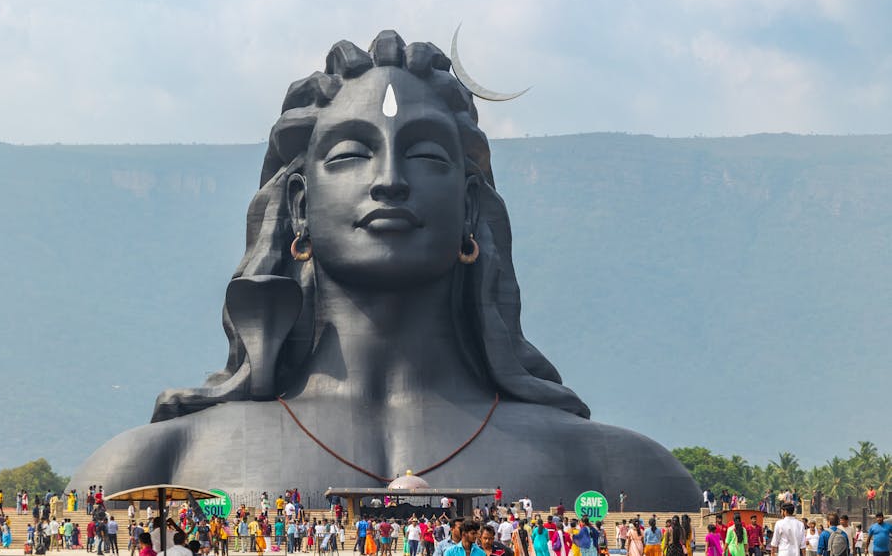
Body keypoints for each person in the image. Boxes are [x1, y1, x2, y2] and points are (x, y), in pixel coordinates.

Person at [69, 31, 699, 510]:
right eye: (350, 154)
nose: (389, 181)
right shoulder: (156, 466)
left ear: (471, 207)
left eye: (425, 153)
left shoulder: (620, 472)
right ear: (298, 208)